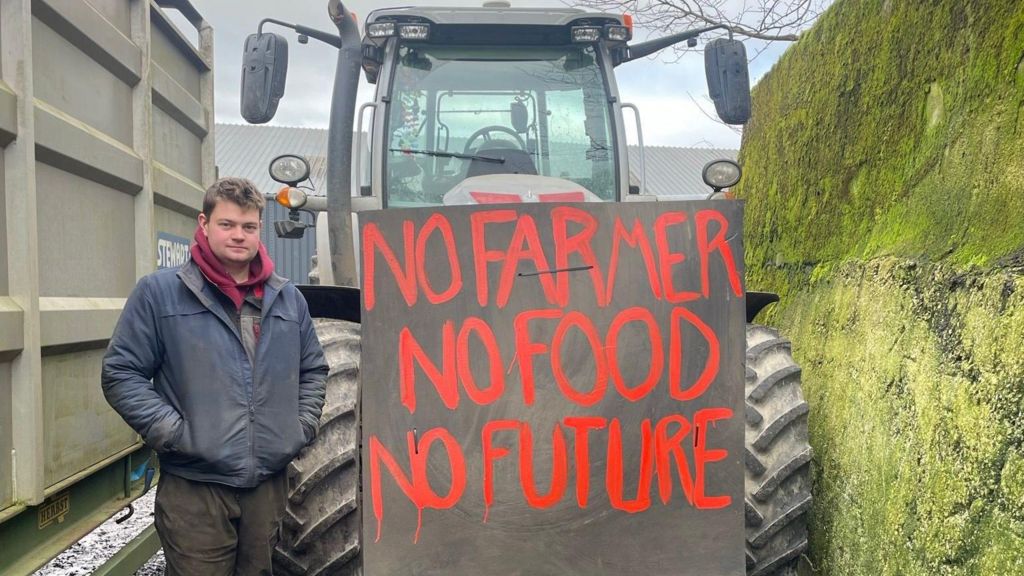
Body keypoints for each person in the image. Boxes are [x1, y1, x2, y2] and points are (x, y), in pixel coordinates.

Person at [102, 177, 328, 575]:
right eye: (227, 225)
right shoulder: (160, 294)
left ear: (260, 229)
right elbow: (122, 373)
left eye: (249, 227)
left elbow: (313, 369)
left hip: (266, 486)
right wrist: (176, 433)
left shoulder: (288, 298)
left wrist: (300, 426)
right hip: (196, 487)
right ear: (204, 225)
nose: (238, 235)